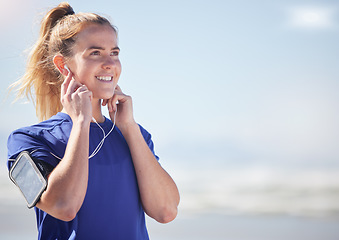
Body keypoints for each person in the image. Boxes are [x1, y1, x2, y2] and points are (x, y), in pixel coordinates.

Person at [7, 2, 180, 240]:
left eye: (115, 53)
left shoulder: (135, 135)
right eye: (95, 53)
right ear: (63, 65)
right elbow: (64, 206)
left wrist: (129, 128)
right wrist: (80, 124)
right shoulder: (27, 140)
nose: (110, 63)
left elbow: (166, 211)